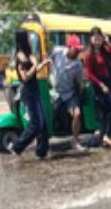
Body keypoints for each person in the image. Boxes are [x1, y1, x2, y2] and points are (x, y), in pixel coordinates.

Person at [10, 30, 51, 159]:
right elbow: (25, 77)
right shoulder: (20, 57)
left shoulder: (29, 54)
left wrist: (42, 64)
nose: (31, 39)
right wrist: (35, 65)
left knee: (43, 123)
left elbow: (34, 70)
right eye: (28, 37)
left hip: (35, 91)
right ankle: (17, 147)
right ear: (23, 39)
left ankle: (42, 152)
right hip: (28, 93)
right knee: (36, 124)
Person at [84, 26, 111, 148]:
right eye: (95, 39)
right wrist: (101, 84)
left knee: (106, 113)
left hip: (108, 81)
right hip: (98, 85)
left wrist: (107, 42)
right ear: (90, 39)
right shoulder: (89, 55)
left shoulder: (104, 50)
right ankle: (107, 136)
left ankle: (104, 138)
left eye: (99, 39)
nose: (97, 42)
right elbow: (89, 74)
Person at [52, 34, 86, 150]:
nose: (78, 52)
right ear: (69, 47)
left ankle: (75, 141)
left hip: (68, 93)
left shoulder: (78, 64)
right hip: (54, 91)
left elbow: (79, 82)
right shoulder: (57, 51)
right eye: (76, 49)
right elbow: (47, 59)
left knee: (77, 114)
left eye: (79, 50)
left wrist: (80, 92)